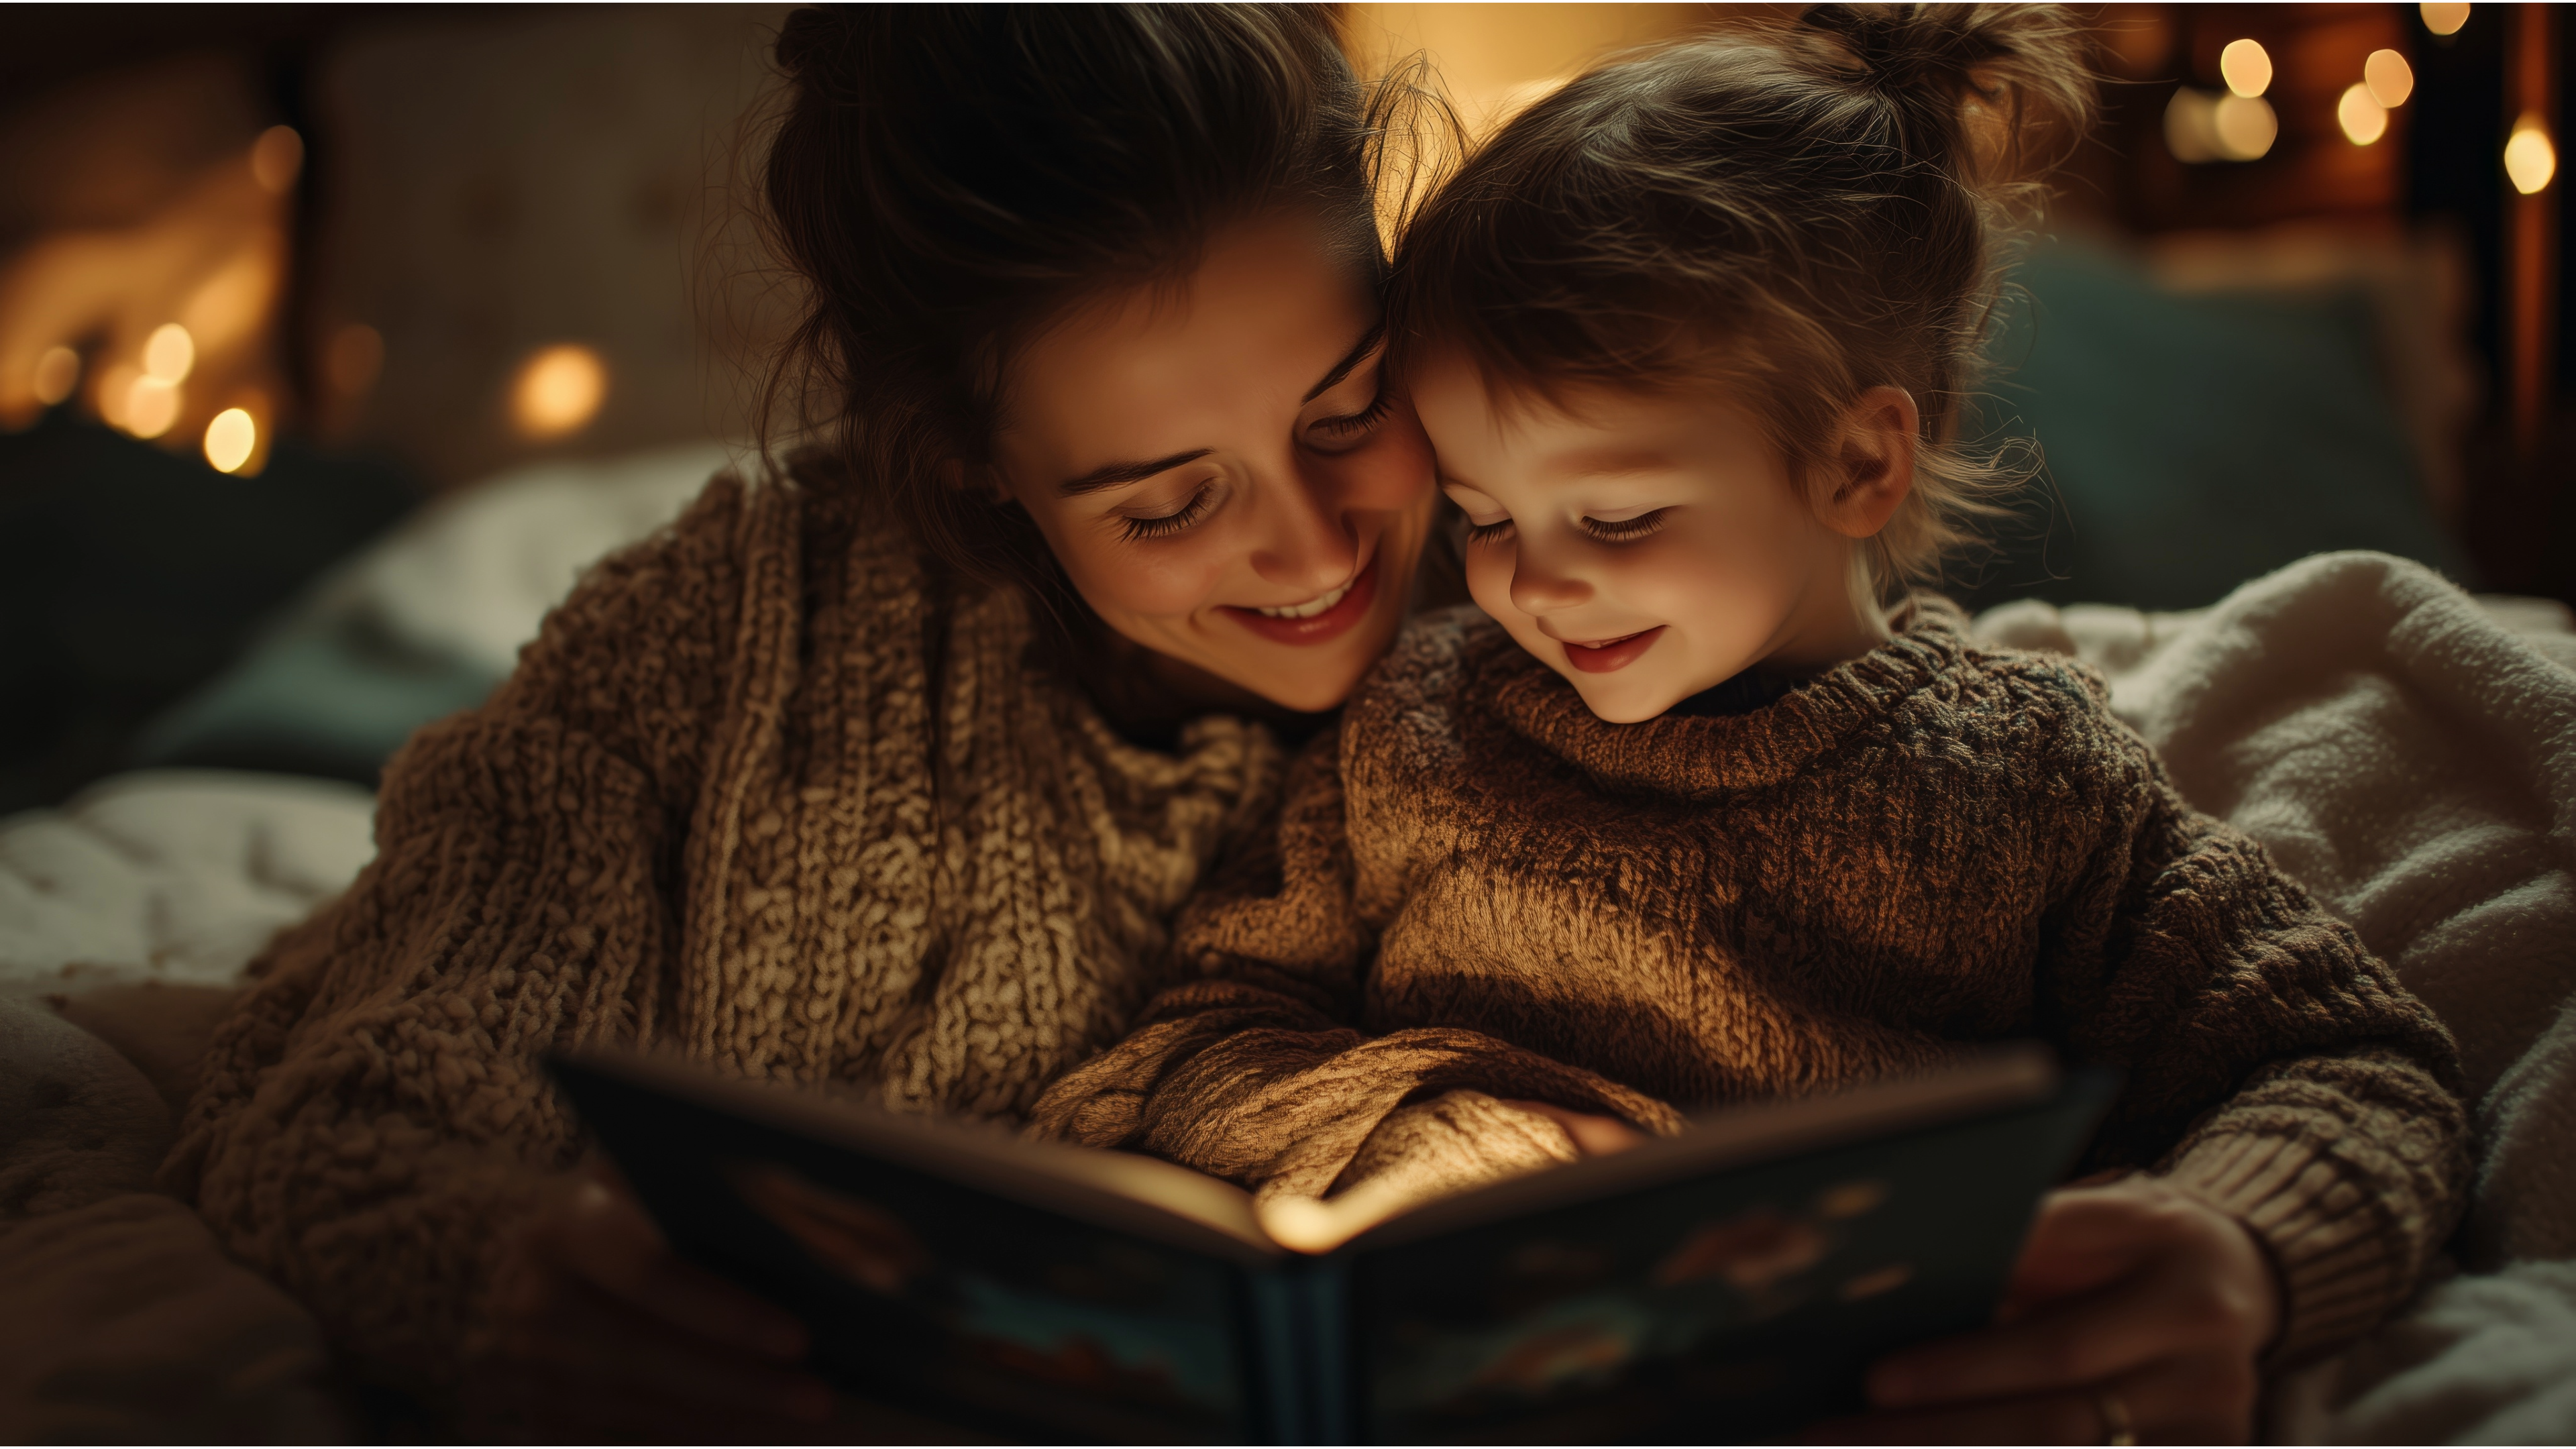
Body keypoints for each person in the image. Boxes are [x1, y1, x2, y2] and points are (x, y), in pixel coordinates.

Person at [1028, 6, 2471, 1442]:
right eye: (1480, 516)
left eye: (1617, 517)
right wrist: (1431, 1129)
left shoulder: (2023, 779)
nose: (1531, 583)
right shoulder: (1414, 724)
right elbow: (1196, 1044)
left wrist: (2244, 1247)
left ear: (1856, 462)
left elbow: (2349, 1060)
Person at [161, 6, 1444, 1438]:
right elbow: (335, 1127)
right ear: (970, 463)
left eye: (1352, 408)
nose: (1318, 548)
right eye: (1168, 503)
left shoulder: (1554, 547)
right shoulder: (714, 646)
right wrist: (505, 1272)